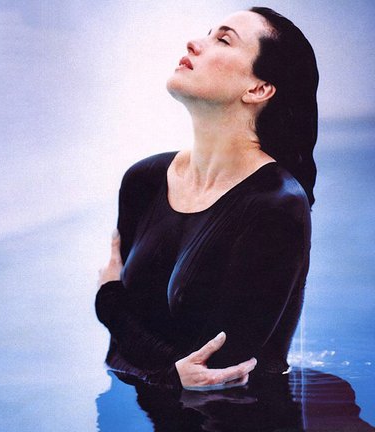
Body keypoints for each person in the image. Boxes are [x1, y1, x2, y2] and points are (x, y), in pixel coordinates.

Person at [95, 7, 319, 390]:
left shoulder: (276, 205)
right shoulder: (143, 180)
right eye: (208, 32)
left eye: (224, 39)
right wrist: (169, 370)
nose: (194, 43)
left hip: (244, 422)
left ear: (258, 89)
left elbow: (219, 370)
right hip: (138, 413)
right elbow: (122, 356)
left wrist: (108, 300)